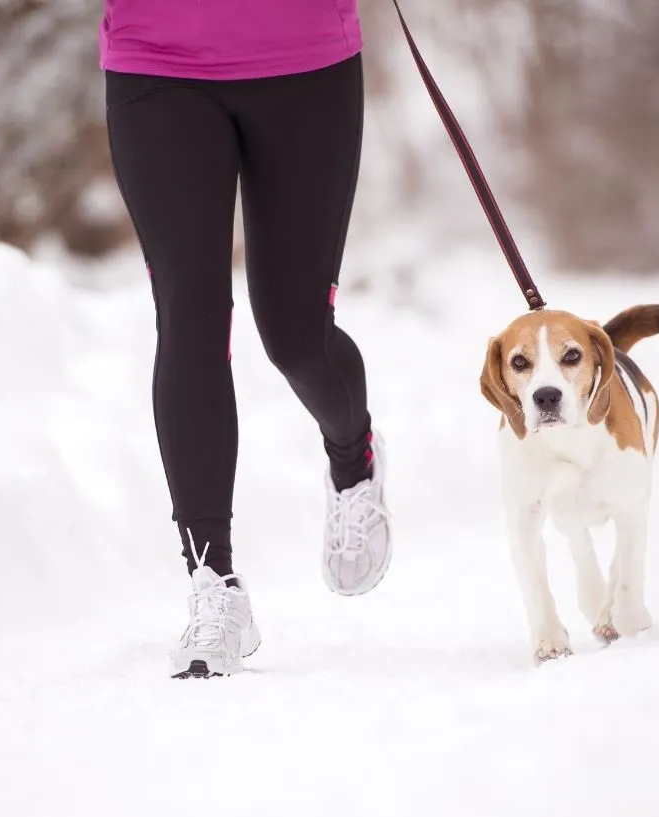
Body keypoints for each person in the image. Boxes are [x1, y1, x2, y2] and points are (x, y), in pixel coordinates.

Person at [100, 0, 393, 678]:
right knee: (188, 313)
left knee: (295, 334)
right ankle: (214, 583)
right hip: (156, 61)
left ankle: (355, 458)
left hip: (304, 59)